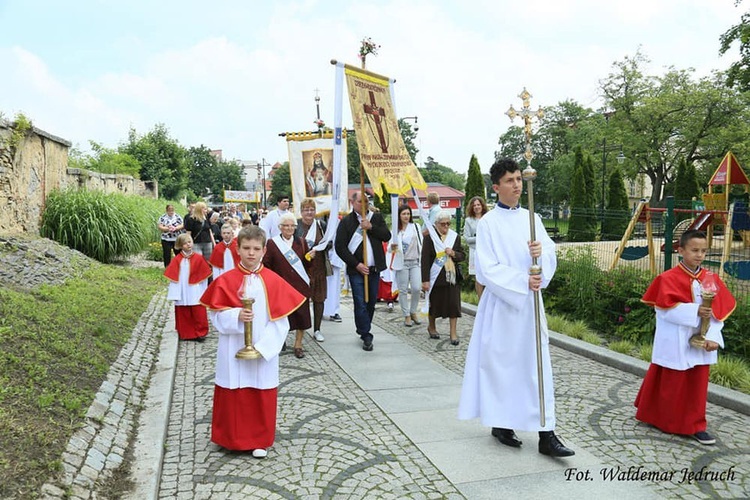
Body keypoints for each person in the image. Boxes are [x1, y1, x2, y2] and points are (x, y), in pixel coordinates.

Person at [458, 158, 574, 458]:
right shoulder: (488, 224)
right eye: (510, 180)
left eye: (519, 178)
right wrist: (522, 280)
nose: (518, 185)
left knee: (538, 366)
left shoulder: (532, 219)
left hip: (531, 307)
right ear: (496, 187)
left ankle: (546, 433)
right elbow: (486, 268)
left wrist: (542, 256)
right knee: (502, 368)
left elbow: (549, 254)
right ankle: (501, 423)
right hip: (503, 306)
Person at [200, 226, 306, 458]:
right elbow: (216, 317)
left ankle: (259, 439)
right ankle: (227, 437)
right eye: (246, 248)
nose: (251, 253)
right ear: (237, 249)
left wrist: (262, 348)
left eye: (256, 249)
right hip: (232, 347)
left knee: (260, 391)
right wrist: (234, 316)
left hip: (262, 349)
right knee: (231, 390)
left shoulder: (273, 281)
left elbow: (281, 322)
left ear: (263, 250)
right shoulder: (226, 280)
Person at [634, 229, 736, 445]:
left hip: (702, 340)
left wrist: (714, 338)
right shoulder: (667, 278)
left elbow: (718, 314)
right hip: (676, 339)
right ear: (681, 251)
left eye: (704, 251)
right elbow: (662, 310)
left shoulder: (711, 278)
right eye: (694, 250)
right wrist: (694, 312)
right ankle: (659, 418)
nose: (699, 255)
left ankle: (695, 425)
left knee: (697, 385)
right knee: (670, 383)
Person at [335, 192, 391, 351]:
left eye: (366, 201)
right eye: (360, 201)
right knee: (360, 302)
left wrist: (371, 227)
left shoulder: (376, 218)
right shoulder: (346, 222)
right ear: (353, 203)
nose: (364, 204)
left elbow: (387, 236)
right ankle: (366, 334)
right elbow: (340, 247)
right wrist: (356, 264)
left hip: (374, 269)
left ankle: (363, 327)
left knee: (371, 302)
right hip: (357, 270)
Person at [262, 213, 312, 359]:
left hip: (300, 285)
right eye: (286, 226)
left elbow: (307, 264)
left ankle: (298, 344)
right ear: (280, 228)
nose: (289, 228)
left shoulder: (301, 242)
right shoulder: (272, 243)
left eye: (292, 226)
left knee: (302, 316)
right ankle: (281, 340)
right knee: (282, 315)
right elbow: (267, 264)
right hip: (281, 286)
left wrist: (310, 258)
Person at [421, 210, 464, 345]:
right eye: (443, 224)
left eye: (448, 224)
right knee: (434, 304)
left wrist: (454, 254)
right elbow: (425, 260)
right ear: (436, 224)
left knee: (454, 305)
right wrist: (425, 280)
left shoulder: (454, 237)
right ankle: (432, 327)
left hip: (451, 277)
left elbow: (462, 255)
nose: (446, 227)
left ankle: (453, 333)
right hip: (436, 277)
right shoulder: (430, 238)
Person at [164, 233, 211, 342]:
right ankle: (186, 333)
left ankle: (200, 333)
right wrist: (175, 292)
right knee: (183, 311)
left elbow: (204, 275)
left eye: (189, 242)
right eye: (185, 243)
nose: (188, 245)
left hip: (195, 288)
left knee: (198, 310)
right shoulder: (177, 260)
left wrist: (203, 289)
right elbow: (173, 277)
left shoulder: (199, 258)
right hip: (182, 288)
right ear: (180, 246)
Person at [296, 197, 329, 342]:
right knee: (300, 301)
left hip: (319, 268)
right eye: (306, 210)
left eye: (312, 209)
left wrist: (320, 248)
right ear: (301, 212)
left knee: (319, 299)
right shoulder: (296, 226)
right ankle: (299, 330)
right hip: (301, 269)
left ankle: (317, 329)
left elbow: (330, 243)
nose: (309, 212)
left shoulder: (321, 225)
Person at [392, 204, 423, 327]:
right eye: (403, 214)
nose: (406, 216)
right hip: (402, 263)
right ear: (399, 216)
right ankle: (406, 315)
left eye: (408, 214)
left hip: (415, 262)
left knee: (416, 288)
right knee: (403, 290)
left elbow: (421, 243)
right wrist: (392, 248)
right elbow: (390, 248)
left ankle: (413, 311)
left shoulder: (416, 227)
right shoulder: (396, 230)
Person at [463, 196, 489, 299]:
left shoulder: (488, 218)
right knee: (478, 278)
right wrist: (479, 238)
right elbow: (466, 238)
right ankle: (480, 300)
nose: (476, 207)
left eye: (478, 205)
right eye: (474, 205)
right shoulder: (469, 220)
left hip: (488, 251)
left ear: (482, 206)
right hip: (475, 251)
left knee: (488, 276)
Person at [323, 245, 344, 323]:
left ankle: (334, 311)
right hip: (320, 256)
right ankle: (319, 309)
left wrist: (333, 260)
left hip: (332, 257)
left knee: (333, 286)